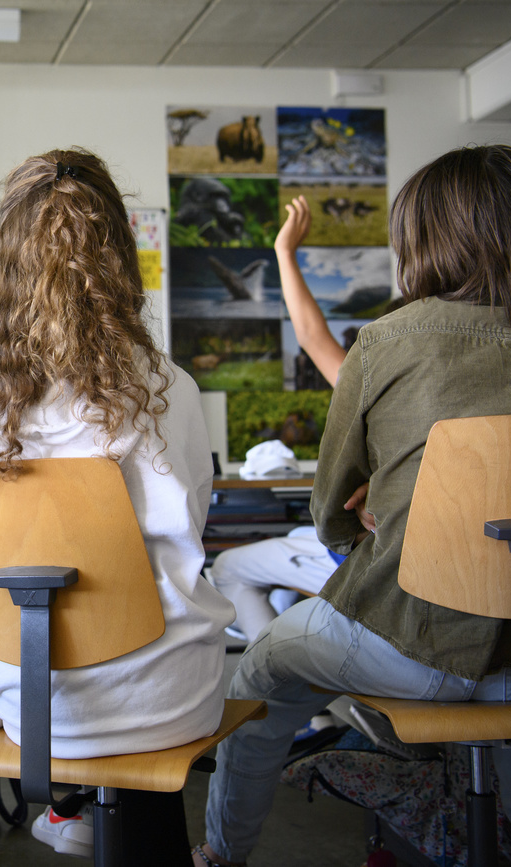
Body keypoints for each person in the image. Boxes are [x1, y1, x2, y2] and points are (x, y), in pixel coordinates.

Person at [197, 145, 511, 867]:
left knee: (264, 669)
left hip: (417, 647)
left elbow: (328, 511)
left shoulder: (387, 342)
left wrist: (365, 516)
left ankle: (224, 855)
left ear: (423, 239)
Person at [0, 149, 235, 861]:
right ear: (119, 252)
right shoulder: (165, 385)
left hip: (31, 699)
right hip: (171, 694)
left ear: (3, 251)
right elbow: (190, 539)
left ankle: (75, 805)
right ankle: (92, 810)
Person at [205, 195, 368, 645]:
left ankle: (274, 670)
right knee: (293, 556)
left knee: (229, 567)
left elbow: (312, 336)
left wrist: (285, 252)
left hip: (371, 561)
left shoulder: (378, 374)